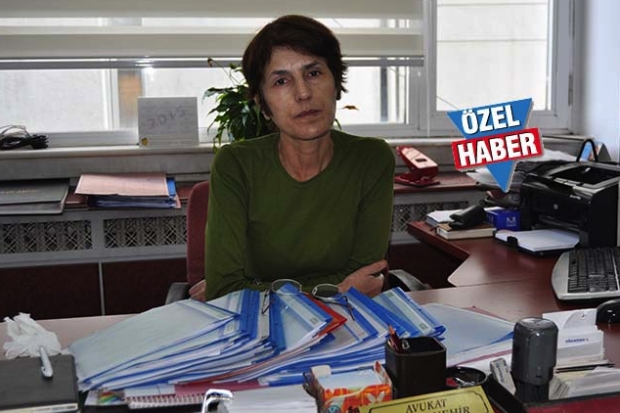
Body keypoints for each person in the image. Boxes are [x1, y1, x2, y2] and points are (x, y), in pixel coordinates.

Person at [190, 15, 395, 301]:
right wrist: (336, 291)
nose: (303, 93)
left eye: (314, 73)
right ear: (263, 105)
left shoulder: (371, 159)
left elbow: (366, 276)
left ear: (336, 83)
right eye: (281, 81)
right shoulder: (236, 164)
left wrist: (255, 289)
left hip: (346, 321)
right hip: (259, 323)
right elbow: (225, 288)